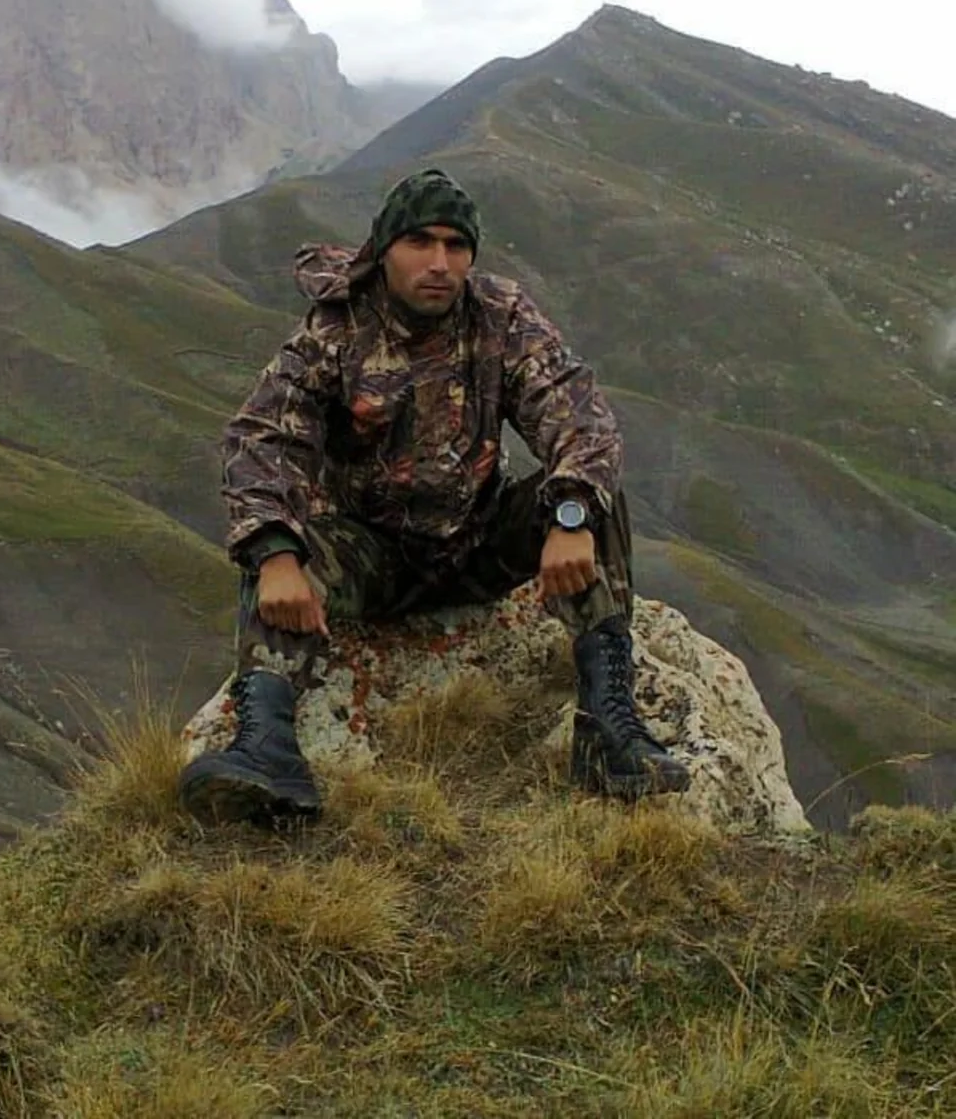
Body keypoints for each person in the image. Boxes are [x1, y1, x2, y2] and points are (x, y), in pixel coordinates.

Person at [177, 167, 690, 825]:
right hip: (371, 559)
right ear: (384, 249)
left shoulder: (500, 317)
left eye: (456, 245)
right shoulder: (334, 332)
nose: (440, 263)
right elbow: (260, 441)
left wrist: (570, 515)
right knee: (279, 549)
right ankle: (266, 747)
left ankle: (609, 733)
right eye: (420, 242)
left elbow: (580, 418)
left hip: (475, 544)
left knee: (597, 500)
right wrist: (277, 554)